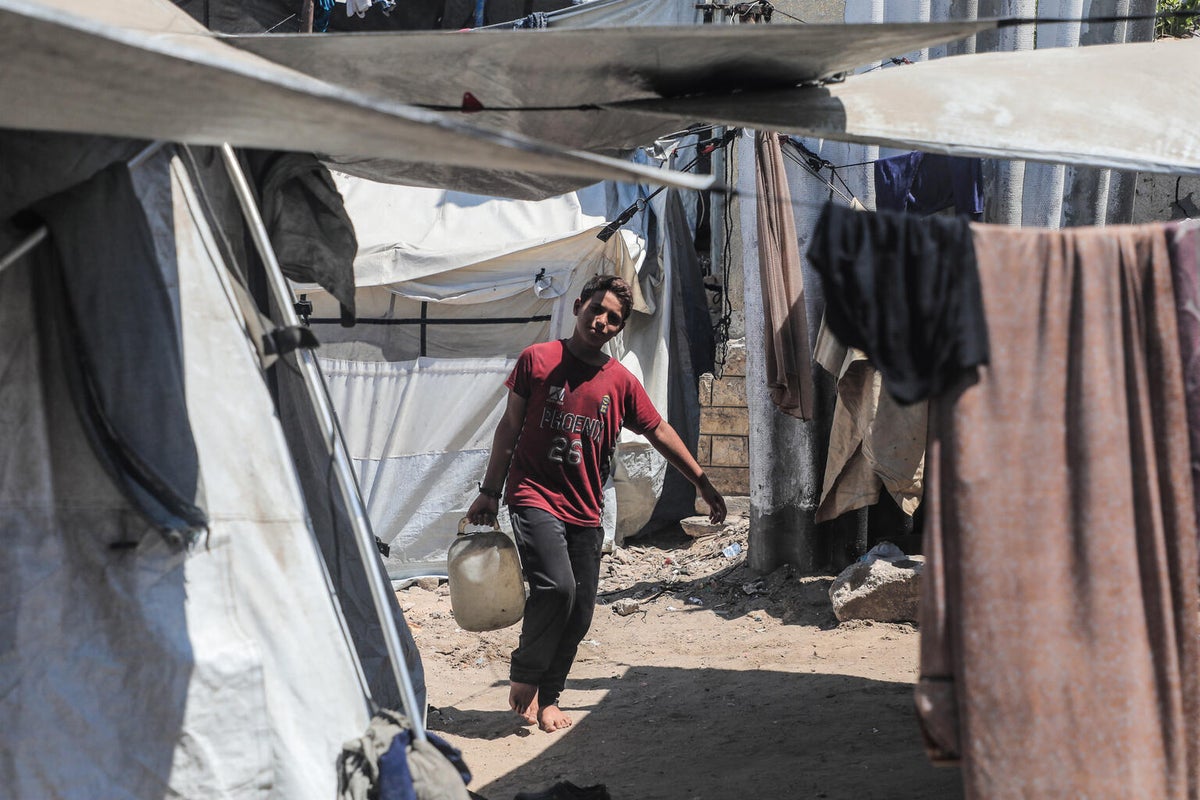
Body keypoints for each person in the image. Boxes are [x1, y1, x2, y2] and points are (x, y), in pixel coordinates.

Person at [467, 273, 727, 733]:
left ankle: (550, 697)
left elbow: (660, 432)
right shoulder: (538, 360)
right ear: (579, 307)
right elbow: (509, 428)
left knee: (582, 608)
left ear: (619, 327)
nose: (603, 321)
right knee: (557, 589)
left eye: (614, 318)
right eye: (597, 310)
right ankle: (526, 676)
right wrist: (489, 492)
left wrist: (702, 483)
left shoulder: (620, 381)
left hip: (586, 508)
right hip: (533, 496)